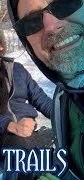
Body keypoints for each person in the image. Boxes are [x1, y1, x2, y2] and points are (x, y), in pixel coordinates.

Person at [7, 0, 84, 179]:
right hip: (1, 129)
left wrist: (49, 114)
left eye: (65, 3)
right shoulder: (64, 94)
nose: (51, 26)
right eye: (32, 22)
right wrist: (7, 125)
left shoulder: (16, 69)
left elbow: (37, 95)